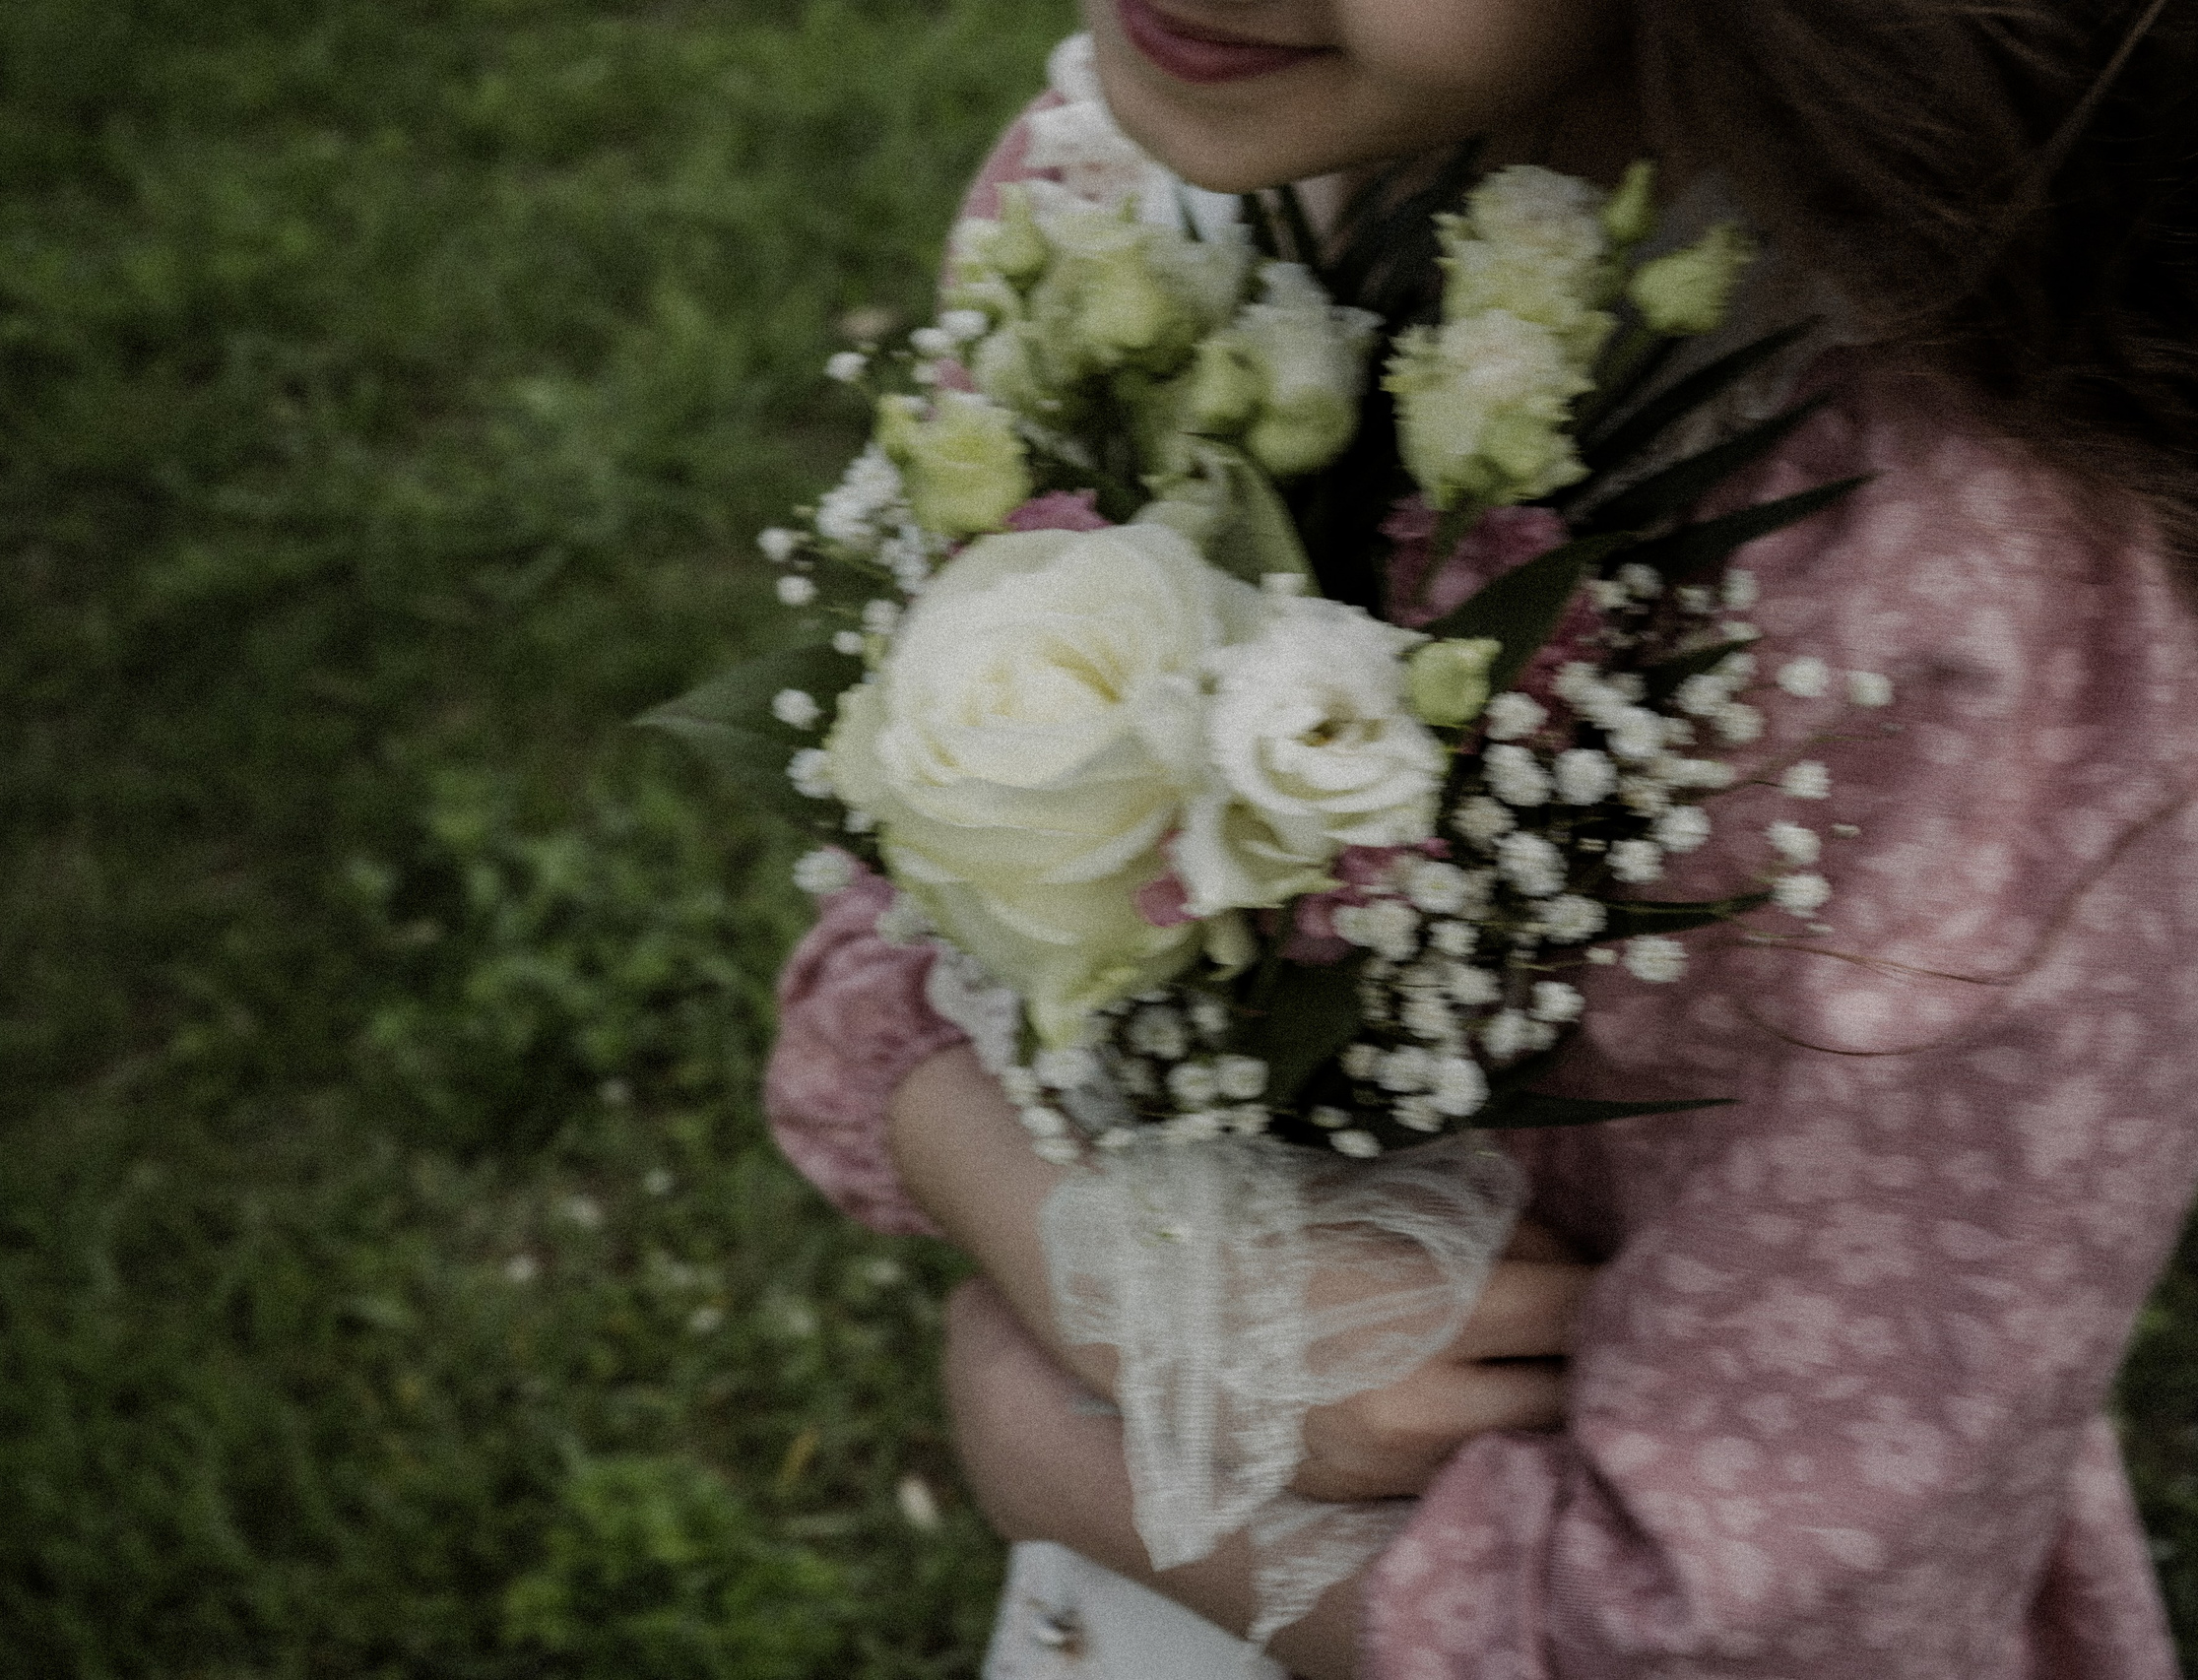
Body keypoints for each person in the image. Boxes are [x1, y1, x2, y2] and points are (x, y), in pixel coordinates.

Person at [766, 1, 2198, 1675]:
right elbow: (902, 904)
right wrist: (1114, 1279)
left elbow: (1781, 1627)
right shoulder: (1121, 206)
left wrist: (1057, 1456)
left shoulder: (1959, 621)